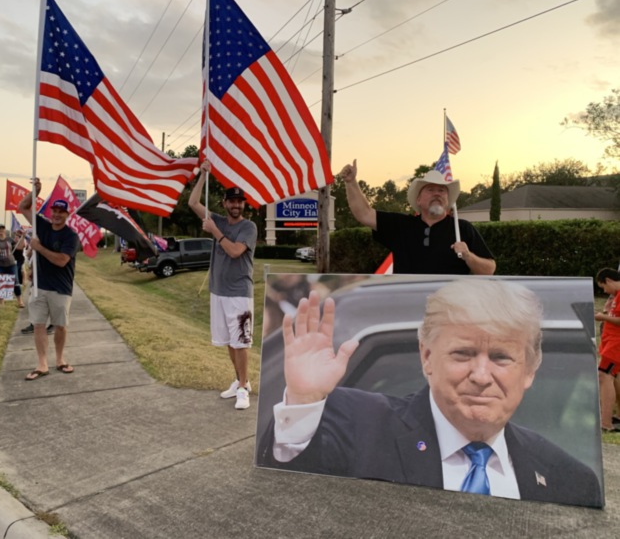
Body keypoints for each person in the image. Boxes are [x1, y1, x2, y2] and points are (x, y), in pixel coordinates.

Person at [260, 279, 602, 507]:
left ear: (529, 370)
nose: (481, 376)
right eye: (463, 354)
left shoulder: (572, 480)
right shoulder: (354, 421)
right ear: (427, 356)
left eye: (501, 357)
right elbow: (280, 497)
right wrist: (304, 402)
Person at [340, 160, 495, 275]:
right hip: (407, 306)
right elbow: (364, 214)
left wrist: (468, 256)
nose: (436, 193)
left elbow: (489, 269)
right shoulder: (401, 225)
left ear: (448, 200)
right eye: (430, 189)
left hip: (448, 309)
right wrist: (351, 182)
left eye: (442, 190)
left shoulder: (463, 229)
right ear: (418, 200)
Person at [188, 160, 258, 410]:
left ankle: (243, 390)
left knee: (241, 341)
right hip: (218, 291)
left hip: (239, 293)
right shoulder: (218, 219)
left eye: (240, 201)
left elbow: (236, 251)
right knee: (229, 341)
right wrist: (203, 174)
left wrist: (215, 232)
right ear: (225, 204)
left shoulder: (248, 227)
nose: (236, 205)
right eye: (232, 201)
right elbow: (193, 203)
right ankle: (242, 381)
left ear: (243, 204)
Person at [17, 179, 80, 381]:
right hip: (39, 287)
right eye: (54, 211)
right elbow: (22, 207)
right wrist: (35, 192)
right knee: (38, 325)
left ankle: (60, 360)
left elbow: (62, 261)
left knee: (60, 326)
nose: (56, 214)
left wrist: (39, 248)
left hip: (61, 288)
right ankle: (42, 364)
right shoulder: (42, 226)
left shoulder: (71, 236)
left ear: (67, 215)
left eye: (61, 212)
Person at [595, 268, 620, 433]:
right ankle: (616, 416)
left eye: (603, 287)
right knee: (615, 377)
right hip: (611, 342)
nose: (604, 291)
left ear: (609, 280)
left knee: (604, 375)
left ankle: (606, 422)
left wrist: (603, 317)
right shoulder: (616, 296)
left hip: (616, 344)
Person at [0, 224, 25, 308]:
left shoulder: (9, 239)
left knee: (16, 282)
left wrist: (22, 238)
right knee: (0, 283)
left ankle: (20, 301)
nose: (1, 231)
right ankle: (1, 302)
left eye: (2, 229)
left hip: (11, 264)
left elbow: (20, 247)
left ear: (5, 230)